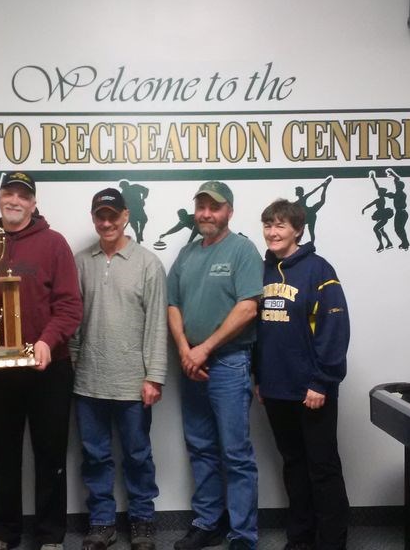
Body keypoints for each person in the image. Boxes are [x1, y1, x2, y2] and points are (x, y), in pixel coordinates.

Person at [0, 172, 83, 550]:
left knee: (49, 454)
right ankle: (4, 532)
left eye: (22, 195)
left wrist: (47, 340)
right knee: (4, 453)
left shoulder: (54, 244)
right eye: (8, 193)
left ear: (33, 203)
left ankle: (50, 535)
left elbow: (70, 304)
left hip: (49, 368)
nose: (14, 200)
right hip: (0, 372)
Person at [167, 181, 263, 550]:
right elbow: (173, 304)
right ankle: (208, 523)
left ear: (229, 212)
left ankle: (243, 534)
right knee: (201, 446)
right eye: (202, 206)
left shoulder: (242, 250)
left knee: (235, 453)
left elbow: (248, 308)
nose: (207, 214)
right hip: (191, 364)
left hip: (228, 363)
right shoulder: (188, 254)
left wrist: (204, 348)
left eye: (215, 207)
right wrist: (184, 350)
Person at [71, 188, 167, 550]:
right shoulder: (81, 262)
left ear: (126, 216)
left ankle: (142, 520)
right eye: (100, 216)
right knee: (94, 455)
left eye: (113, 215)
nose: (107, 222)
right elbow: (74, 322)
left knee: (138, 455)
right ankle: (101, 522)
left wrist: (154, 376)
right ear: (94, 218)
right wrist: (74, 366)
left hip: (133, 382)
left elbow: (158, 323)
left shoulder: (147, 264)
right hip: (88, 381)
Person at [255, 199, 350, 550]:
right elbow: (258, 332)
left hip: (312, 390)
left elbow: (335, 328)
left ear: (297, 229)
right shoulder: (261, 272)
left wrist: (321, 381)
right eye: (267, 225)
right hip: (276, 390)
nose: (272, 232)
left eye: (280, 225)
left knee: (322, 468)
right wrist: (259, 378)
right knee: (294, 466)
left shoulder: (319, 270)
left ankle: (331, 543)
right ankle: (300, 538)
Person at [361, 171, 393, 253]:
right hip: (381, 217)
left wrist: (364, 208)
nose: (378, 191)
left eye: (379, 191)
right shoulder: (381, 198)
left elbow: (370, 204)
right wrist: (373, 178)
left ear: (381, 193)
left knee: (376, 229)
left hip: (382, 217)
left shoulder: (380, 199)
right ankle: (389, 243)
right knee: (381, 230)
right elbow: (377, 187)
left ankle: (381, 245)